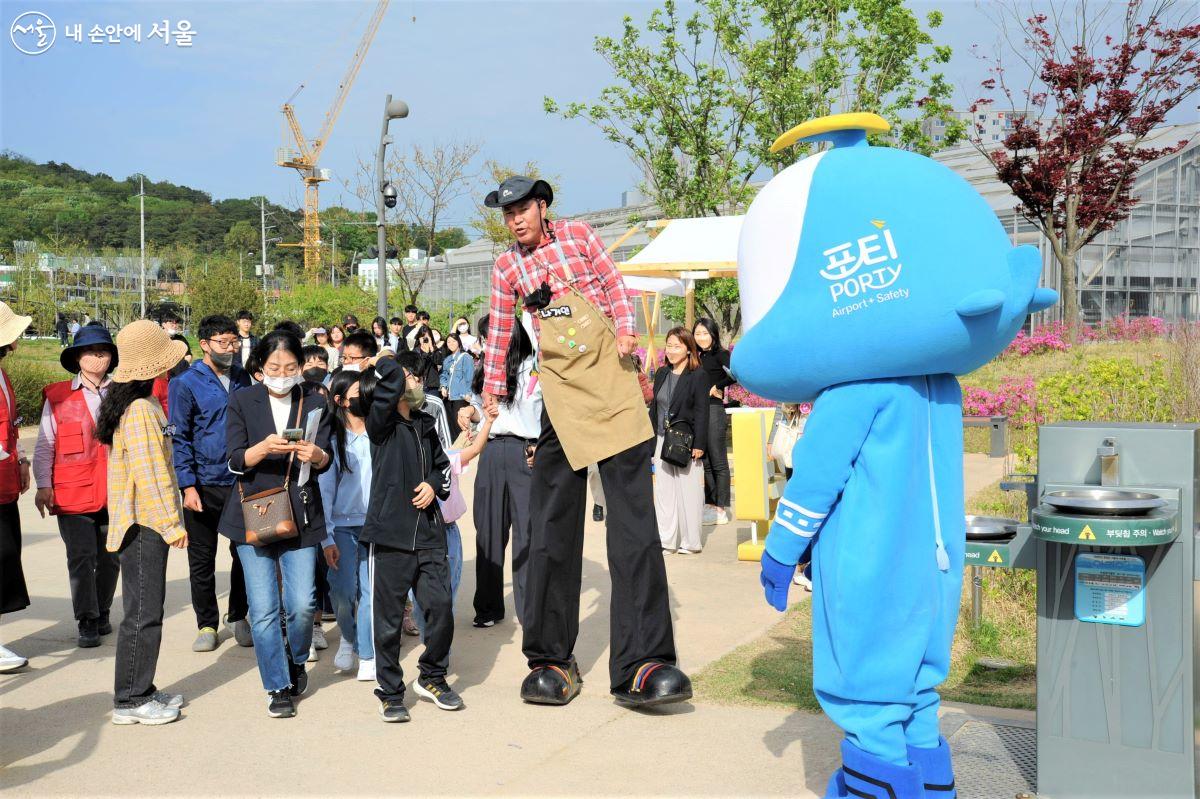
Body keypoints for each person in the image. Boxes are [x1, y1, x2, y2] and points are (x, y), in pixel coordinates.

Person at [481, 175, 690, 706]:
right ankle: (551, 658)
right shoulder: (507, 267)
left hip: (615, 386)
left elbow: (616, 288)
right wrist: (490, 392)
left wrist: (626, 331)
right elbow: (501, 333)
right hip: (562, 399)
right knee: (551, 530)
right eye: (508, 215)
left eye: (523, 209)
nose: (516, 220)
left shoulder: (579, 237)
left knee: (634, 529)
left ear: (542, 205)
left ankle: (644, 663)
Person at [218, 330, 333, 719]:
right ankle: (277, 685)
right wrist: (262, 448)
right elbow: (233, 459)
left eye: (291, 367)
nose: (283, 374)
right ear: (260, 369)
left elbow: (327, 458)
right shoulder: (242, 400)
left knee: (302, 604)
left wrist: (316, 454)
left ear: (301, 367)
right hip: (254, 513)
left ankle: (296, 657)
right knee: (264, 608)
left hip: (301, 512)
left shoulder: (315, 400)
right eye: (273, 368)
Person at [96, 319, 190, 724]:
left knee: (147, 608)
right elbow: (151, 475)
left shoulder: (137, 404)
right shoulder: (139, 411)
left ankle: (142, 687)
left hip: (142, 522)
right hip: (144, 524)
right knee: (142, 613)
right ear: (154, 366)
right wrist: (172, 524)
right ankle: (130, 700)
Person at [360, 350, 460, 721]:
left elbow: (443, 467)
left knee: (441, 610)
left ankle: (433, 677)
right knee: (387, 622)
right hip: (390, 537)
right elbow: (386, 384)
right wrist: (387, 357)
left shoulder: (424, 422)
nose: (417, 382)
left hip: (430, 535)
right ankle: (390, 691)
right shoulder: (380, 423)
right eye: (410, 377)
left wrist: (434, 485)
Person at [33, 324, 121, 649]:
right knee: (81, 557)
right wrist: (43, 485)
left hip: (115, 492)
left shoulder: (122, 393)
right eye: (89, 351)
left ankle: (103, 610)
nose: (97, 356)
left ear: (111, 357)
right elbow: (45, 444)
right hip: (71, 493)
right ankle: (87, 619)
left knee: (111, 557)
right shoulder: (57, 397)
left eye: (103, 350)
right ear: (77, 357)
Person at [169, 315, 252, 653]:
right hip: (203, 483)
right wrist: (187, 486)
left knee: (244, 553)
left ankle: (238, 615)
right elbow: (181, 437)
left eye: (234, 342)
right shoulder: (186, 383)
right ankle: (206, 623)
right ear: (204, 344)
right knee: (202, 558)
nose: (230, 348)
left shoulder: (243, 378)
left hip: (241, 481)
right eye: (223, 342)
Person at [469, 315, 540, 628]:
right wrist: (468, 412)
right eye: (485, 338)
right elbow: (478, 408)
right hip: (492, 451)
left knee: (527, 534)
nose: (488, 344)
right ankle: (488, 608)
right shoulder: (486, 370)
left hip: (527, 452)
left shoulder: (535, 368)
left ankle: (529, 611)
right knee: (488, 530)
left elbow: (550, 413)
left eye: (492, 337)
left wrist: (543, 446)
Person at [318, 369, 376, 681]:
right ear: (341, 400)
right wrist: (327, 537)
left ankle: (366, 653)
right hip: (341, 527)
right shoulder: (333, 441)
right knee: (342, 593)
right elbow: (326, 493)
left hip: (374, 526)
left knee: (369, 592)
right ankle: (349, 637)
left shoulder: (380, 433)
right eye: (358, 392)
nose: (365, 397)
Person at [651, 328, 710, 554]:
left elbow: (702, 411)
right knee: (664, 493)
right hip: (661, 438)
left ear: (688, 349)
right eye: (668, 346)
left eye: (677, 346)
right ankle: (667, 540)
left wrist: (700, 445)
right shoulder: (662, 374)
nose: (671, 351)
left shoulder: (698, 375)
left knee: (689, 492)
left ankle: (691, 542)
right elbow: (655, 408)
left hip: (686, 441)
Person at [0, 301, 33, 673]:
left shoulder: (2, 375)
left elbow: (10, 426)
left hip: (5, 481)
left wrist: (20, 460)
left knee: (6, 557)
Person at [692, 318, 735, 526]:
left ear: (713, 334)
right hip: (698, 411)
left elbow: (736, 374)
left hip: (714, 409)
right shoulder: (695, 356)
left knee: (718, 460)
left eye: (705, 333)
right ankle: (709, 504)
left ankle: (721, 507)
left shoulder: (721, 354)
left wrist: (718, 385)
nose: (701, 338)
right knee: (706, 461)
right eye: (697, 333)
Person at [439, 333, 474, 441]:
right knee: (451, 428)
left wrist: (469, 394)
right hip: (449, 398)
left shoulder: (466, 357)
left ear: (459, 342)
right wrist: (443, 386)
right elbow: (443, 375)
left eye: (454, 341)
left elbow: (470, 376)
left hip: (461, 397)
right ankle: (455, 452)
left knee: (461, 427)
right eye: (448, 342)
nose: (451, 344)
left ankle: (463, 452)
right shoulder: (447, 359)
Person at [413, 329, 442, 393]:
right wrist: (425, 354)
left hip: (433, 384)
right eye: (423, 337)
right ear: (419, 338)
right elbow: (419, 369)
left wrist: (431, 348)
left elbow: (439, 361)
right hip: (420, 385)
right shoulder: (415, 351)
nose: (425, 340)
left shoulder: (434, 349)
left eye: (427, 338)